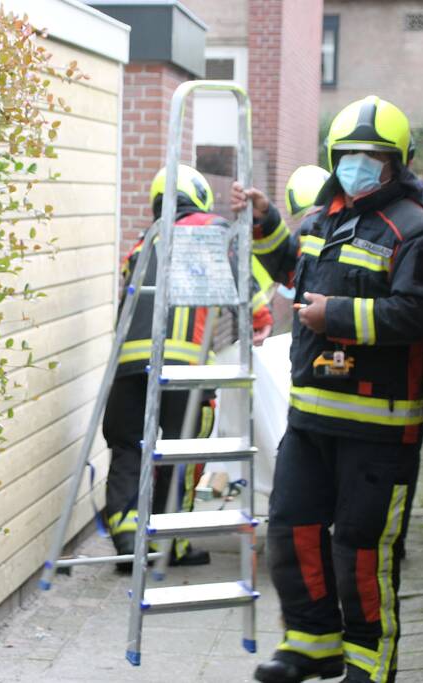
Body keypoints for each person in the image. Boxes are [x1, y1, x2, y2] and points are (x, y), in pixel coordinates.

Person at [232, 95, 423, 683]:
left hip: (378, 425)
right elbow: (292, 268)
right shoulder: (324, 219)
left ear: (397, 162)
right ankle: (312, 643)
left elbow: (416, 315)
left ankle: (368, 662)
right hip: (310, 419)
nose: (358, 164)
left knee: (362, 548)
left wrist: (335, 316)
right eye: (349, 154)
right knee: (292, 526)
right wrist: (264, 222)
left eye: (373, 156)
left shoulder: (419, 233)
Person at [103, 164, 273, 571]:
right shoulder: (208, 228)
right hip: (182, 369)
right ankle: (169, 545)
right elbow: (237, 272)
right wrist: (260, 316)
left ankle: (130, 544)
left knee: (129, 450)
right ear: (197, 194)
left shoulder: (144, 242)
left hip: (128, 369)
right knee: (180, 452)